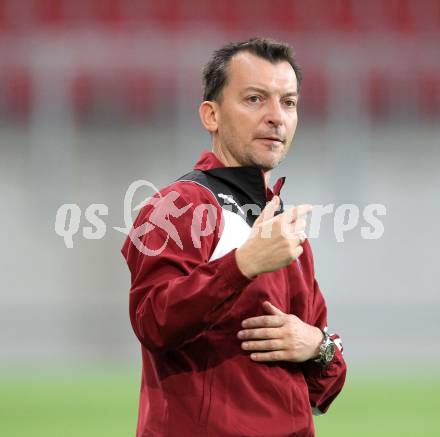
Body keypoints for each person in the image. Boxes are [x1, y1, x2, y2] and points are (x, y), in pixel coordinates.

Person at [122, 37, 346, 437]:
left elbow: (323, 385)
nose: (277, 117)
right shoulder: (177, 206)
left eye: (288, 102)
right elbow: (153, 321)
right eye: (255, 99)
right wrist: (242, 265)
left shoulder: (280, 222)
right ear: (211, 115)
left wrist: (316, 345)